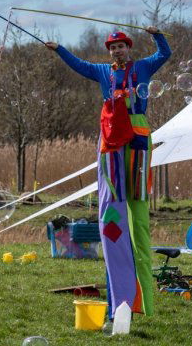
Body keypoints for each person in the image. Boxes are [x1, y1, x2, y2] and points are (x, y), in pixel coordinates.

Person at [45, 27, 171, 318]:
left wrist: (158, 35)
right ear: (109, 51)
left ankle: (144, 302)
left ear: (129, 47)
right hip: (112, 139)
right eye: (113, 47)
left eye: (122, 46)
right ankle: (121, 294)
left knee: (138, 212)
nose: (117, 51)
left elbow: (165, 54)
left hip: (138, 137)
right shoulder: (103, 72)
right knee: (113, 211)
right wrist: (60, 49)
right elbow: (80, 66)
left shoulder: (142, 67)